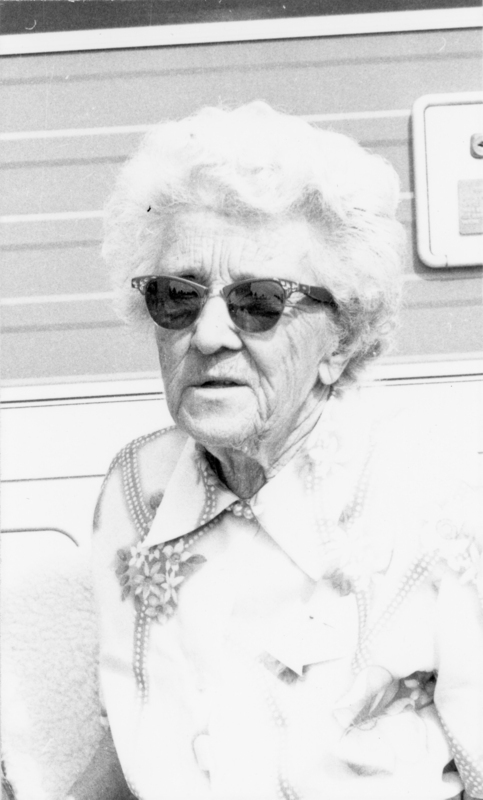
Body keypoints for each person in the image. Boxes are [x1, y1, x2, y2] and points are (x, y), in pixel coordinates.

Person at [69, 102, 482, 800]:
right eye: (177, 296)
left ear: (342, 338)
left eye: (257, 302)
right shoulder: (135, 488)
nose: (205, 337)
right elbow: (137, 727)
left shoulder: (437, 498)